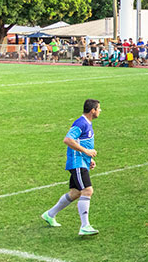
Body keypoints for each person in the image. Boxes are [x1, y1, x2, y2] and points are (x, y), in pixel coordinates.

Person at [41, 99, 102, 236]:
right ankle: (85, 226)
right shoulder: (81, 123)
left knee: (75, 193)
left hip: (82, 161)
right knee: (87, 190)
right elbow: (68, 140)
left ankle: (49, 215)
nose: (99, 111)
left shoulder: (87, 123)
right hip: (77, 162)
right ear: (92, 110)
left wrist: (89, 159)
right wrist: (86, 153)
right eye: (98, 108)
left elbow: (82, 142)